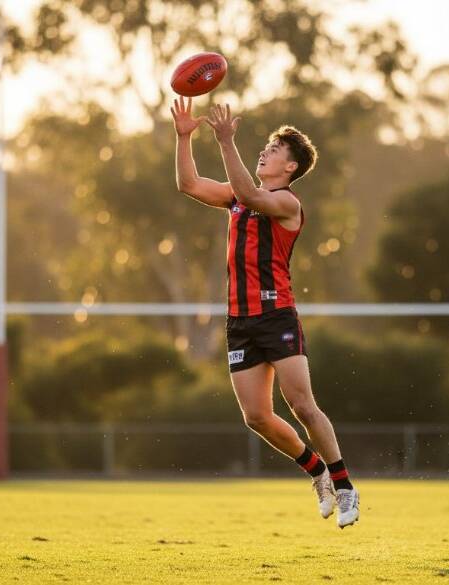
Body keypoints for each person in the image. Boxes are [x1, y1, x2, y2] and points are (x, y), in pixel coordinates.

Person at [170, 96, 359, 528]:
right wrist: (183, 138)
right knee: (256, 416)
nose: (265, 152)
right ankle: (316, 471)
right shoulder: (237, 200)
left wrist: (225, 143)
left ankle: (345, 485)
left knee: (303, 405)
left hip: (276, 316)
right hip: (240, 320)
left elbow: (252, 194)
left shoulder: (288, 204)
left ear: (290, 168)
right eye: (267, 147)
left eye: (274, 150)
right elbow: (189, 185)